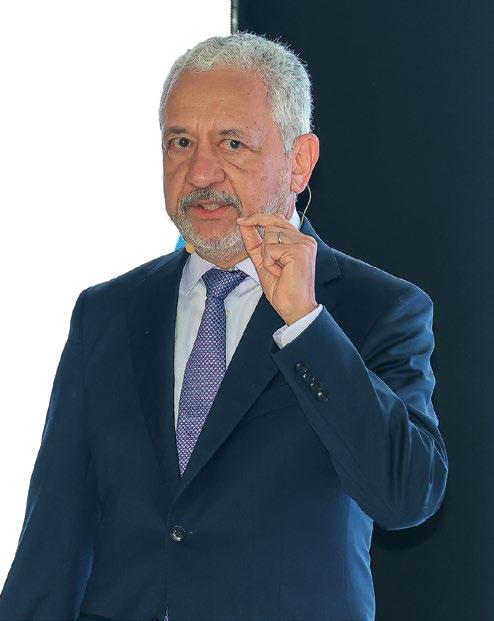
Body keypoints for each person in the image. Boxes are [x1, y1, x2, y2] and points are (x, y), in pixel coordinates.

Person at [0, 32, 448, 621]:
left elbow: (406, 496)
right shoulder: (105, 313)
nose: (200, 172)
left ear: (299, 162)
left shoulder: (379, 309)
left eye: (232, 143)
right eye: (180, 142)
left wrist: (307, 324)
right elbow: (52, 538)